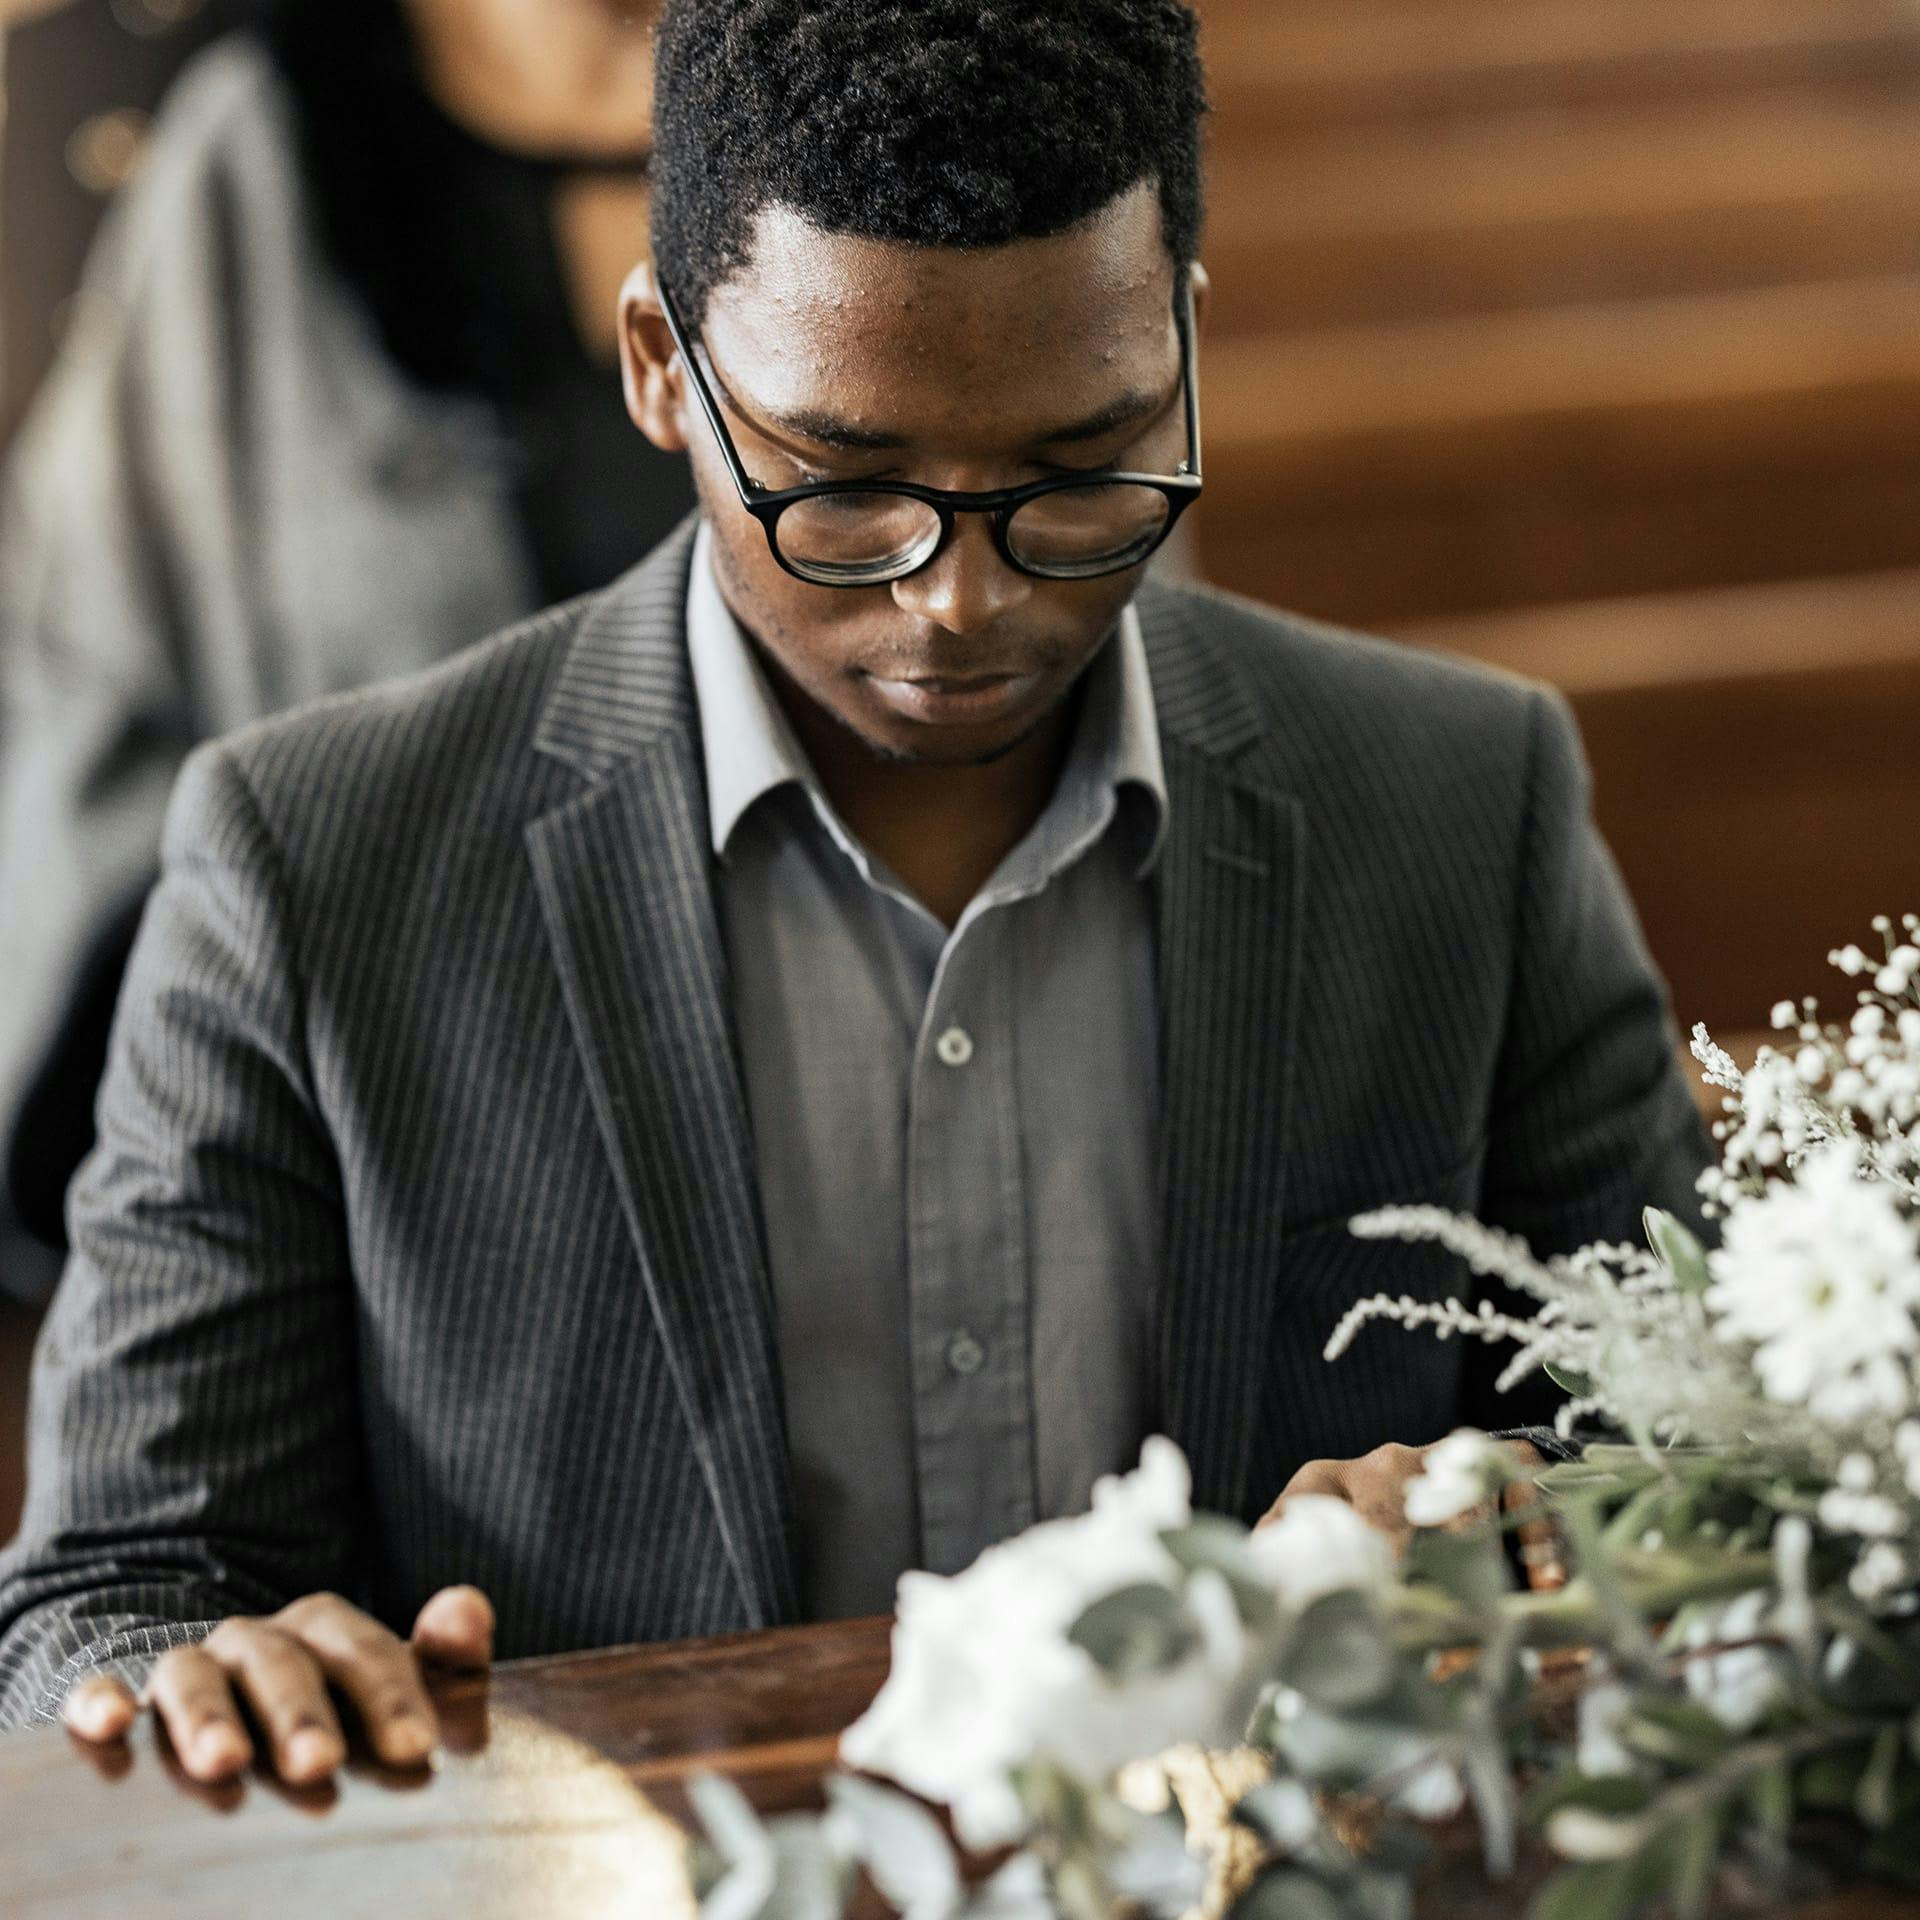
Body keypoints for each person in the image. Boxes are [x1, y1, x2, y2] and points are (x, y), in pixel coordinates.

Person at [0, 0, 1710, 1783]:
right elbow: (107, 1598)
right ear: (660, 363)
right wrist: (209, 1673)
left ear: (1184, 351)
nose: (957, 603)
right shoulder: (309, 866)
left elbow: (1686, 1466)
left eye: (1073, 476)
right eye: (842, 487)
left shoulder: (1456, 804)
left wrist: (1507, 1512)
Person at [0, 0, 694, 1284]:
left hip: (855, 1094)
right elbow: (89, 664)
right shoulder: (269, 146)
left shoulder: (891, 84)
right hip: (393, 1189)